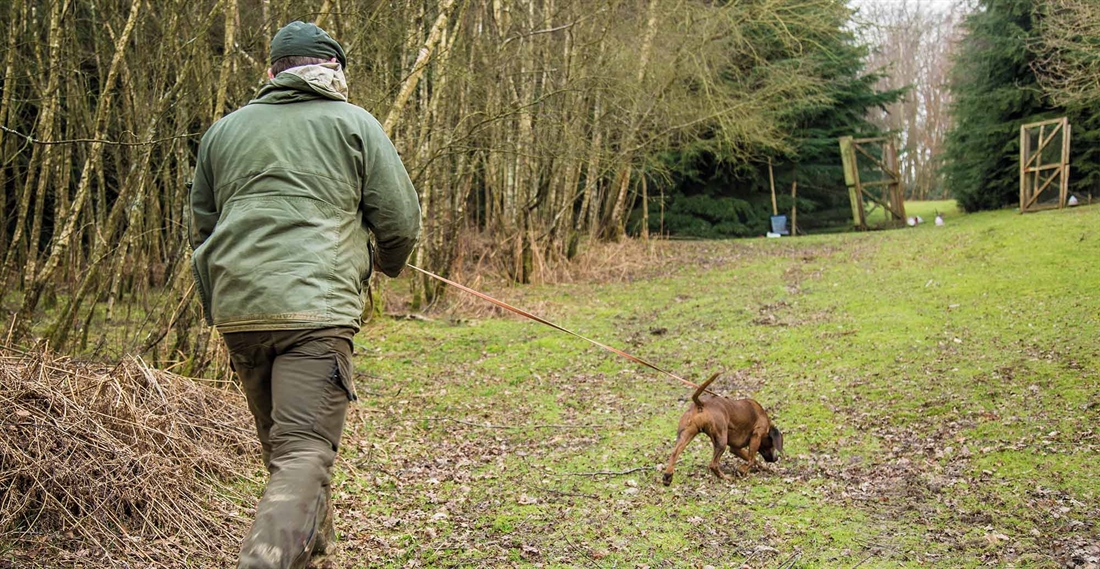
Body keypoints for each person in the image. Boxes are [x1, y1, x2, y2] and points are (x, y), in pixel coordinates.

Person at [188, 21, 421, 569]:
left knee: (286, 455)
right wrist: (386, 264)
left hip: (240, 310)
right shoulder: (353, 123)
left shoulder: (223, 132)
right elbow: (401, 219)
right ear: (335, 72)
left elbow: (201, 229)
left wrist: (220, 301)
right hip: (315, 312)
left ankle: (313, 554)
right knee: (304, 451)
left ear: (271, 72)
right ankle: (264, 561)